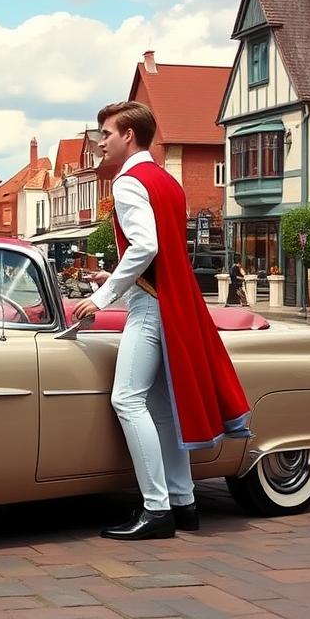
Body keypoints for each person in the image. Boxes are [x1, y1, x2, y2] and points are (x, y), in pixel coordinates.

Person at [73, 101, 251, 540]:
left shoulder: (130, 182)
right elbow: (163, 249)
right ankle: (182, 501)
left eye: (107, 134)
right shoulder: (166, 181)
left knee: (127, 401)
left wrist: (102, 295)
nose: (101, 142)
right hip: (169, 301)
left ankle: (156, 510)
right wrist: (113, 275)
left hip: (150, 307)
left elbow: (146, 246)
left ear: (129, 136)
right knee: (160, 408)